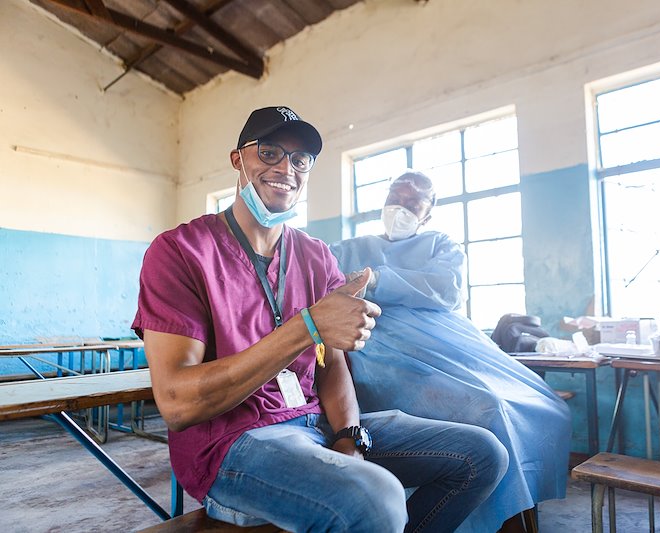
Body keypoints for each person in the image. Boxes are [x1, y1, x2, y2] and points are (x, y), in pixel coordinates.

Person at [132, 107, 509, 533]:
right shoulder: (180, 251)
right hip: (236, 443)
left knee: (482, 455)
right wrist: (306, 326)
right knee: (377, 499)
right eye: (269, 153)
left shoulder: (314, 255)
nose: (285, 169)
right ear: (238, 159)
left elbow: (330, 364)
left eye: (299, 160)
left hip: (315, 423)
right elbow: (177, 404)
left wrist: (349, 436)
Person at [330, 171, 572, 533]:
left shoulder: (439, 244)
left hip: (447, 342)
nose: (401, 207)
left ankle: (517, 509)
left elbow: (447, 288)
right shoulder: (348, 248)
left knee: (543, 407)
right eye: (395, 197)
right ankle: (487, 517)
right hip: (383, 349)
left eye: (413, 203)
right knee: (487, 408)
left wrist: (380, 279)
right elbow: (316, 277)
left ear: (427, 214)